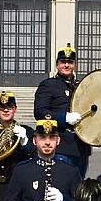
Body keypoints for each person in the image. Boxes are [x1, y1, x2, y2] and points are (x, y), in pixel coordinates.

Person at [34, 43, 91, 177]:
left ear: (74, 65)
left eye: (70, 62)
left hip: (81, 147)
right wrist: (64, 117)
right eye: (63, 62)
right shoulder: (48, 85)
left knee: (77, 189)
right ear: (57, 64)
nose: (66, 65)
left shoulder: (81, 86)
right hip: (61, 146)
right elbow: (39, 112)